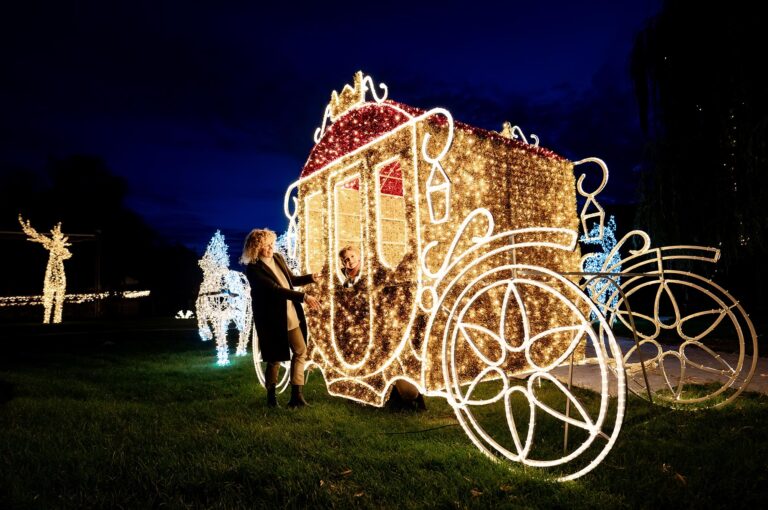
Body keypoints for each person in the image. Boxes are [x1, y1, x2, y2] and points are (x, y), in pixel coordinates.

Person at [337, 245, 427, 411]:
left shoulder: (371, 273)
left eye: (352, 256)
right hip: (363, 329)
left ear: (359, 256)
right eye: (346, 260)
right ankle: (375, 395)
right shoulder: (347, 281)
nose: (350, 261)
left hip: (382, 326)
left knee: (390, 361)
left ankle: (409, 397)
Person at [242, 228, 320, 408]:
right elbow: (275, 290)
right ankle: (271, 398)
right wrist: (304, 297)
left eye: (272, 244)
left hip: (290, 314)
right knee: (275, 358)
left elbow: (291, 280)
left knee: (300, 351)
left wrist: (311, 278)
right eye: (266, 246)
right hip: (272, 319)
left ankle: (296, 397)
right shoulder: (253, 269)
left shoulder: (277, 258)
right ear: (256, 248)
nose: (271, 248)